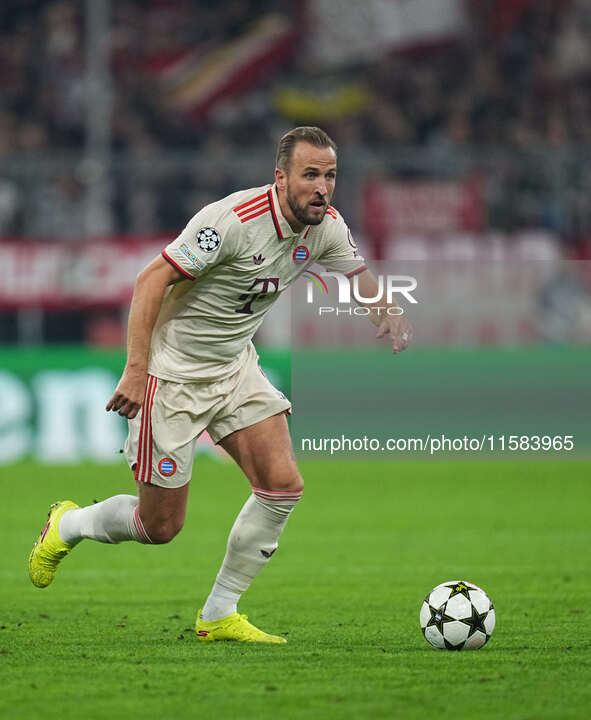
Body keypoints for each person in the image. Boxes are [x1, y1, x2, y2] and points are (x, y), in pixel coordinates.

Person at [28, 126, 412, 643]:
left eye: (330, 176)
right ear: (280, 179)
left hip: (235, 369)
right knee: (158, 528)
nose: (322, 187)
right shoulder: (230, 222)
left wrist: (384, 310)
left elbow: (357, 274)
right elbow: (150, 280)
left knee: (282, 485)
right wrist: (137, 368)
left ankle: (218, 614)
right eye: (310, 175)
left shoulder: (326, 227)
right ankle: (68, 526)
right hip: (173, 376)